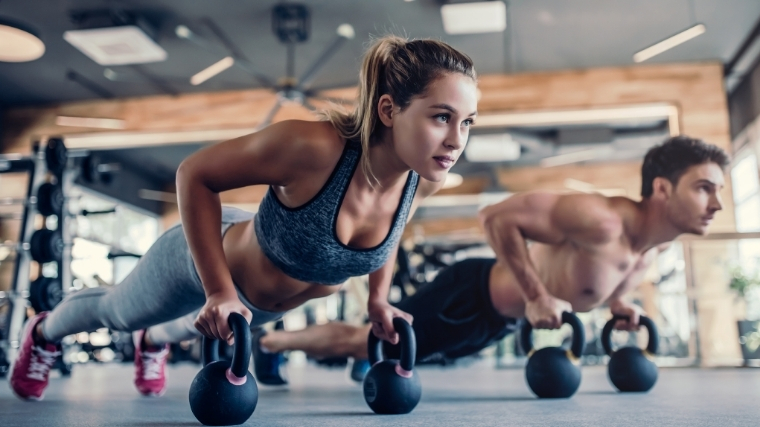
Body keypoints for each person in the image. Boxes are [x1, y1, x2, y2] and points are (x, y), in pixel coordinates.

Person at [9, 35, 479, 401]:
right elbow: (194, 174)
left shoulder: (422, 178)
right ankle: (45, 333)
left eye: (468, 122)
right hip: (204, 259)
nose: (457, 140)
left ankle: (154, 342)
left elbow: (389, 236)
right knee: (116, 314)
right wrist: (218, 290)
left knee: (190, 323)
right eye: (442, 117)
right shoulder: (312, 148)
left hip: (248, 307)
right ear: (389, 110)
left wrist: (378, 300)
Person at [252, 136, 728, 384]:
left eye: (720, 191)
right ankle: (271, 343)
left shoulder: (653, 247)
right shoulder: (600, 218)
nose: (717, 204)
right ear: (662, 189)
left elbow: (605, 274)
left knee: (385, 350)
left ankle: (276, 343)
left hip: (493, 322)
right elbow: (495, 216)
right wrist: (537, 294)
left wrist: (620, 302)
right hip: (470, 296)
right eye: (704, 188)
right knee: (365, 343)